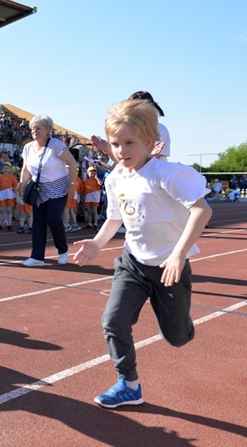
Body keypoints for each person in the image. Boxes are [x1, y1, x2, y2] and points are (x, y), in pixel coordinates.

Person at [73, 98, 212, 409]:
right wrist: (97, 243)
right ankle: (129, 384)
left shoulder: (168, 174)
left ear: (150, 142)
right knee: (113, 321)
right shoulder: (115, 178)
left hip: (168, 266)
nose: (121, 151)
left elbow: (202, 210)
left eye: (129, 143)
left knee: (177, 337)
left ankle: (182, 322)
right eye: (115, 144)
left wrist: (178, 254)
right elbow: (114, 218)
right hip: (132, 263)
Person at [19, 115, 78, 267]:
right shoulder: (28, 147)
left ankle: (62, 250)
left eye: (38, 128)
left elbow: (72, 162)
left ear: (48, 130)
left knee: (53, 218)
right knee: (38, 222)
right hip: (39, 189)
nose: (34, 131)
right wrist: (22, 185)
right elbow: (26, 169)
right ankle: (37, 257)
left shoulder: (56, 145)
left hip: (59, 187)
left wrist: (72, 184)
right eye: (32, 128)